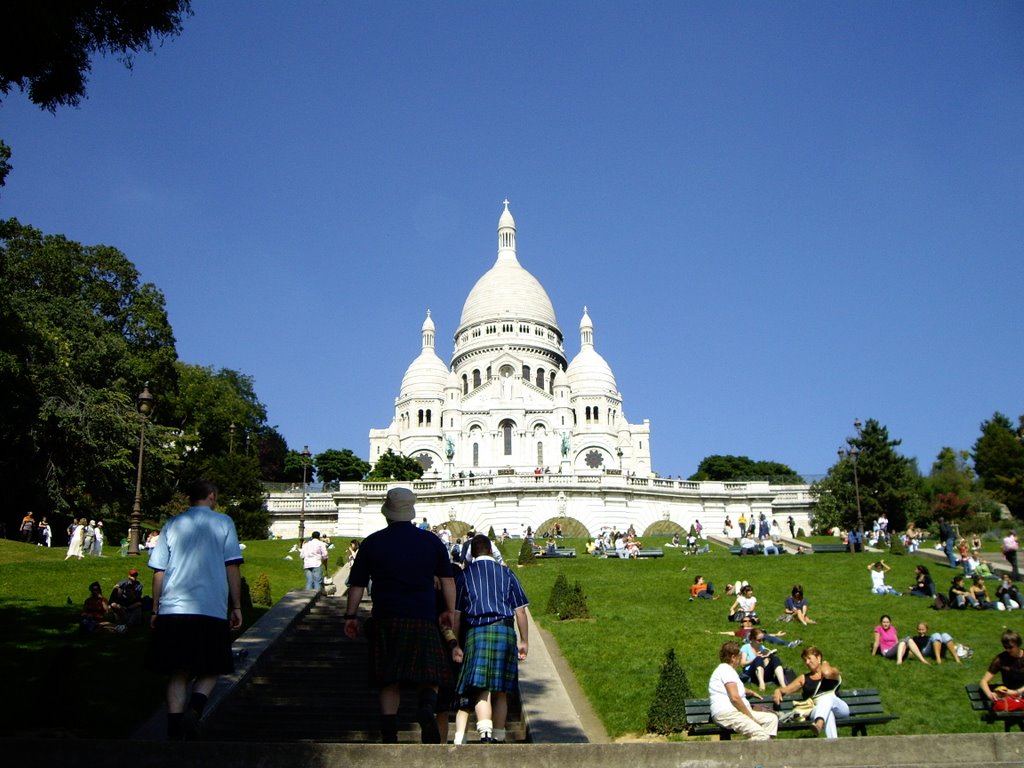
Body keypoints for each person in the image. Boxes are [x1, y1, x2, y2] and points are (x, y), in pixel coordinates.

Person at [344, 487, 456, 743]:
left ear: (387, 513)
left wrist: (350, 616)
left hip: (387, 617)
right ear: (411, 512)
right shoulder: (432, 541)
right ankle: (427, 707)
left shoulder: (372, 542)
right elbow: (448, 581)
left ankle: (389, 733)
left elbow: (357, 586)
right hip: (424, 616)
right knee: (430, 674)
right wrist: (449, 611)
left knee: (388, 678)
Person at [145, 480, 244, 741]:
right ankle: (195, 710)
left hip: (173, 607)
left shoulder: (172, 524)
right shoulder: (224, 523)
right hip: (210, 607)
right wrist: (236, 605)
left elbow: (159, 571)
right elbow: (232, 566)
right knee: (212, 667)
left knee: (178, 671)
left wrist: (155, 608)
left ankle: (174, 727)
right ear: (211, 496)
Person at [450, 534, 529, 744]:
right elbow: (520, 611)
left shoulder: (465, 575)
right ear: (491, 550)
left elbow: (457, 615)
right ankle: (500, 735)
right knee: (501, 688)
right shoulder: (507, 573)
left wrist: (456, 644)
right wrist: (524, 641)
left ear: (472, 553)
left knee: (482, 686)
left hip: (477, 632)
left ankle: (485, 731)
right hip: (504, 631)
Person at [708, 640, 778, 740]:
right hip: (727, 713)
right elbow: (735, 698)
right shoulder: (725, 670)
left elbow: (735, 687)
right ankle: (740, 755)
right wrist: (749, 716)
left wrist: (751, 692)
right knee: (761, 735)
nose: (741, 658)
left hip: (736, 712)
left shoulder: (728, 671)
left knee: (771, 719)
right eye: (739, 656)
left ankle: (764, 751)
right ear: (733, 657)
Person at [774, 646, 847, 739]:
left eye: (809, 658)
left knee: (828, 697)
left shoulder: (833, 672)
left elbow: (827, 673)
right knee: (829, 714)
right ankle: (833, 745)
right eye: (805, 660)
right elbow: (786, 689)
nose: (807, 662)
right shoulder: (804, 678)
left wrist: (824, 663)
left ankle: (819, 723)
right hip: (816, 710)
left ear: (818, 657)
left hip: (839, 708)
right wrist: (778, 690)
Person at [980, 629, 1024, 705]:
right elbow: (983, 681)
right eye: (1005, 647)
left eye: (1010, 647)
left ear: (1018, 644)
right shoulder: (1001, 659)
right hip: (1008, 693)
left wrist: (1017, 692)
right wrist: (990, 694)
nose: (1008, 650)